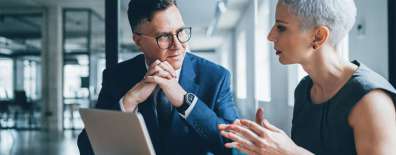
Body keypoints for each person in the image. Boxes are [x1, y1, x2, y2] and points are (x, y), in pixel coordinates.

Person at [219, 0, 396, 154]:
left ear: (319, 36)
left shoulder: (371, 102)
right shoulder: (304, 90)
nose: (271, 36)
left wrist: (290, 152)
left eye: (281, 27)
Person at [77, 0, 239, 154]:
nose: (178, 45)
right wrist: (130, 100)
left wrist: (185, 102)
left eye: (181, 32)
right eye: (164, 37)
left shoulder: (216, 77)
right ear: (138, 41)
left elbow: (234, 147)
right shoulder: (117, 77)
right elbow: (87, 148)